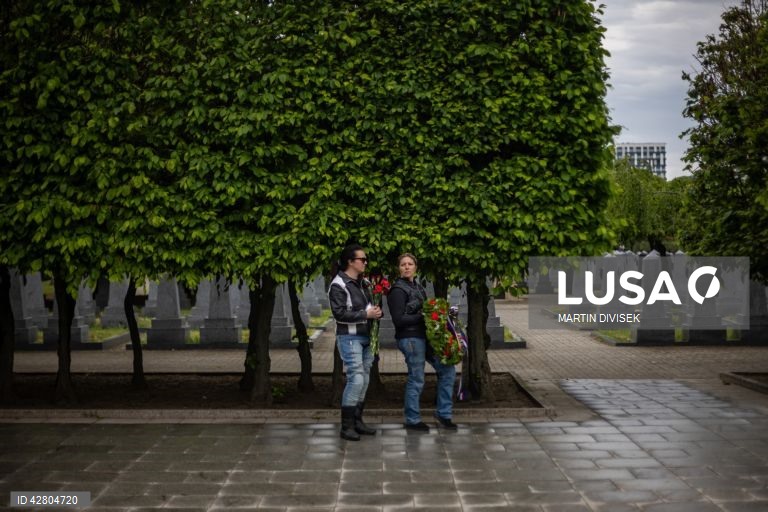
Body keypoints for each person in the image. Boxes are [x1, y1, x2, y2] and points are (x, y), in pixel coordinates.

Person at [387, 253, 457, 431]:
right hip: (410, 338)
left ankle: (444, 414)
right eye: (403, 264)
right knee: (417, 378)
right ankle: (412, 420)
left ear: (415, 267)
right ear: (398, 268)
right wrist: (425, 316)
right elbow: (398, 320)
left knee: (448, 370)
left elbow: (427, 313)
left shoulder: (418, 287)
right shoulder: (397, 290)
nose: (407, 267)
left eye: (410, 264)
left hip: (425, 338)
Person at [328, 243, 383, 441]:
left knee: (365, 378)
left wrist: (376, 311)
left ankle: (357, 421)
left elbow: (370, 306)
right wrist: (365, 315)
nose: (365, 262)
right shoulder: (338, 285)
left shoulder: (363, 283)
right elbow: (339, 314)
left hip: (367, 336)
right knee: (356, 378)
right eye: (362, 259)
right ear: (350, 262)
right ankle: (347, 426)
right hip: (350, 337)